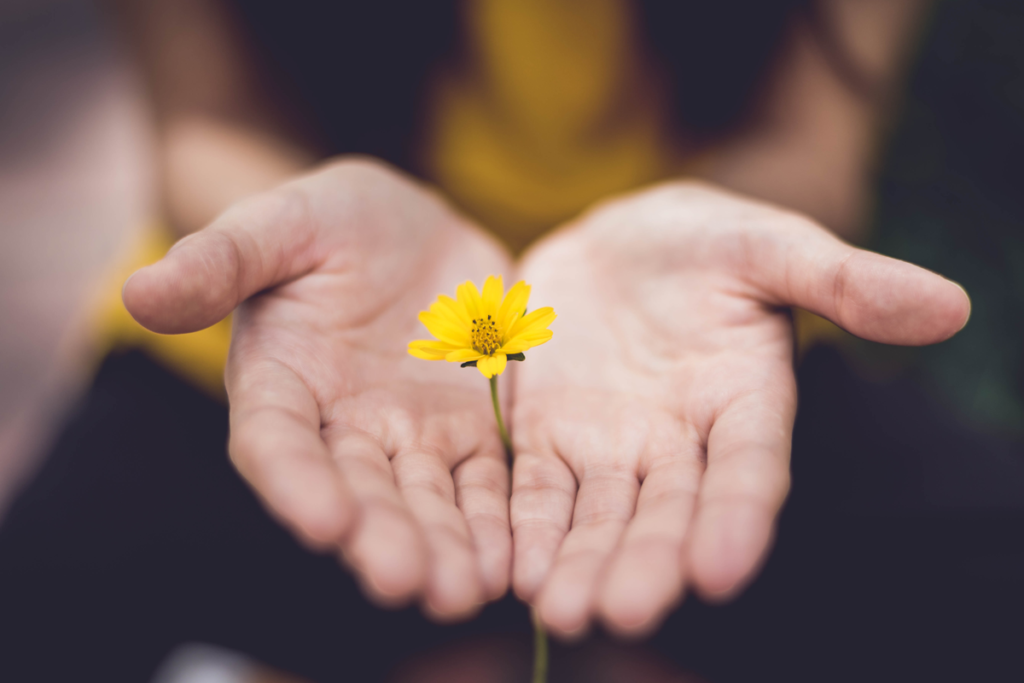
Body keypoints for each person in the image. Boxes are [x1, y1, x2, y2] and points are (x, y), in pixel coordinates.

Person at [3, 1, 1019, 681]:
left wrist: (709, 229)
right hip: (319, 341)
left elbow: (809, 142)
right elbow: (208, 119)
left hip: (680, 350)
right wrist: (285, 228)